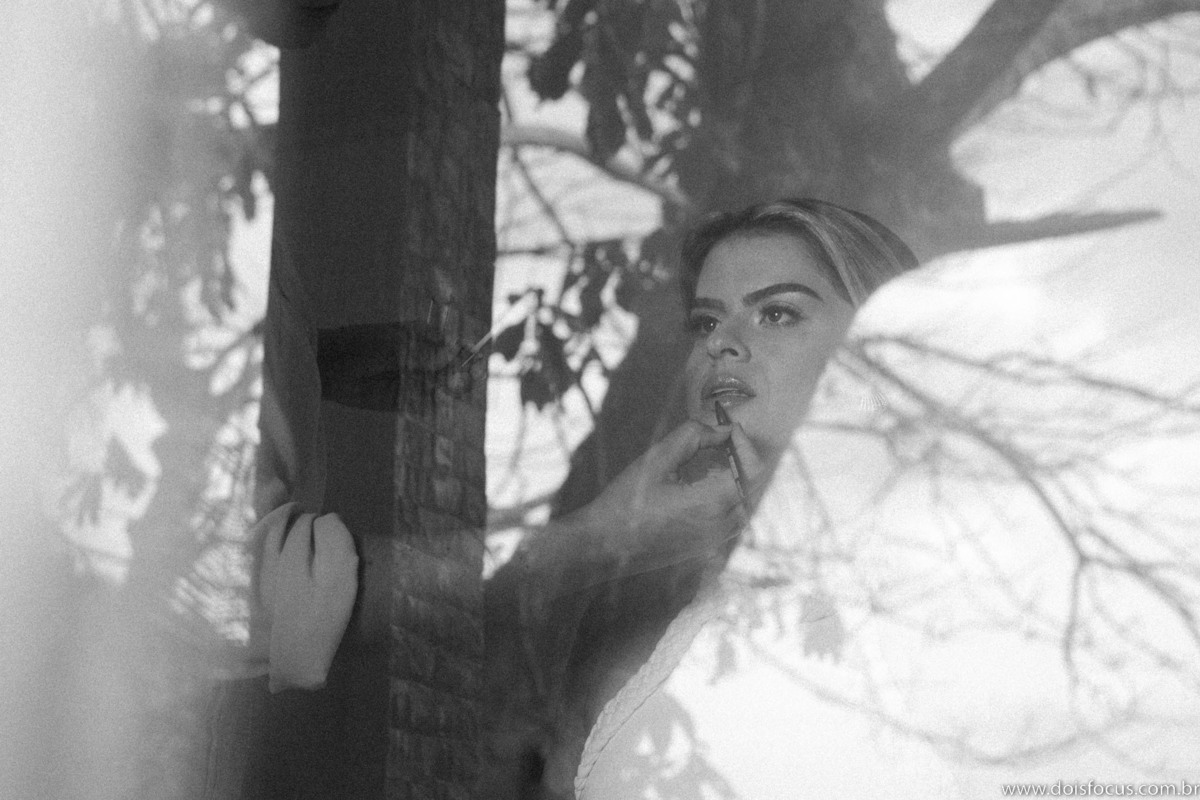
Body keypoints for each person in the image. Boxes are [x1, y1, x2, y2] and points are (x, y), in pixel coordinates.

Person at [481, 198, 935, 798]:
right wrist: (597, 539)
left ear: (878, 349)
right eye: (705, 323)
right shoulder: (641, 615)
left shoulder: (930, 587)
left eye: (776, 313)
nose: (723, 343)